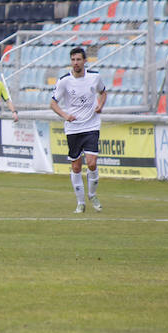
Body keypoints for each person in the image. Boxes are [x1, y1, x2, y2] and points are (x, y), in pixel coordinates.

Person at [50, 47, 107, 214]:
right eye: (73, 60)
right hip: (73, 128)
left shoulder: (94, 77)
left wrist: (100, 105)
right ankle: (80, 202)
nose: (76, 63)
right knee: (76, 167)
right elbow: (53, 103)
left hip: (91, 125)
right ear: (71, 61)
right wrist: (65, 115)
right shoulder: (64, 81)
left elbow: (103, 92)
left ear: (85, 61)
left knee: (92, 162)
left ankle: (92, 195)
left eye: (78, 60)